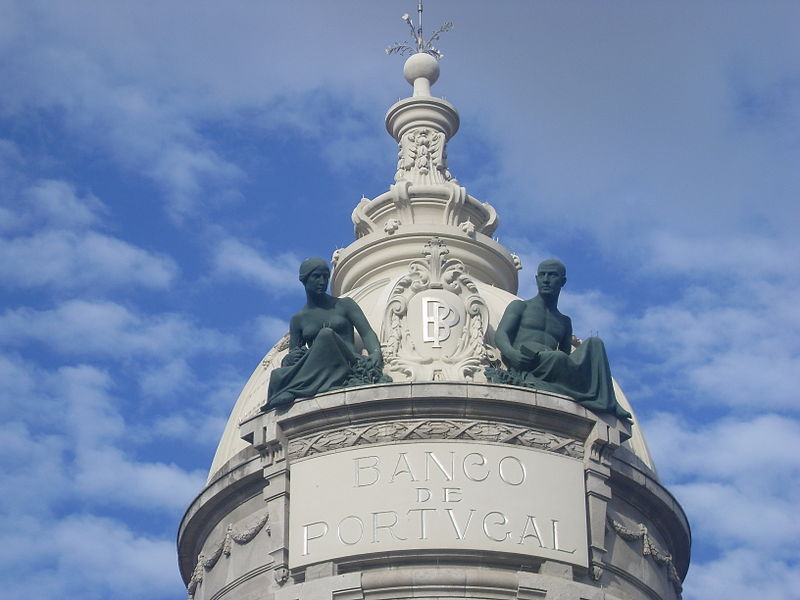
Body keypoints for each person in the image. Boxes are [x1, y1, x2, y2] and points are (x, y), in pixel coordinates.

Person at [489, 259, 631, 421]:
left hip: (552, 364)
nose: (546, 280)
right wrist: (512, 354)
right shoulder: (521, 307)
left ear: (562, 281)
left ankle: (609, 401)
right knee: (557, 357)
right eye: (542, 275)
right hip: (528, 361)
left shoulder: (564, 321)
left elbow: (566, 356)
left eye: (552, 275)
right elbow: (502, 334)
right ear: (536, 279)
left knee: (595, 343)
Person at [264, 258, 387, 409]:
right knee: (276, 375)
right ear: (304, 279)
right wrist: (289, 359)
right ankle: (294, 387)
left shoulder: (344, 305)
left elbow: (367, 333)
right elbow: (294, 356)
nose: (322, 281)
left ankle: (294, 387)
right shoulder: (298, 320)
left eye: (325, 276)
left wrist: (375, 352)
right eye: (316, 276)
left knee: (326, 335)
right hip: (316, 365)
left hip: (345, 360)